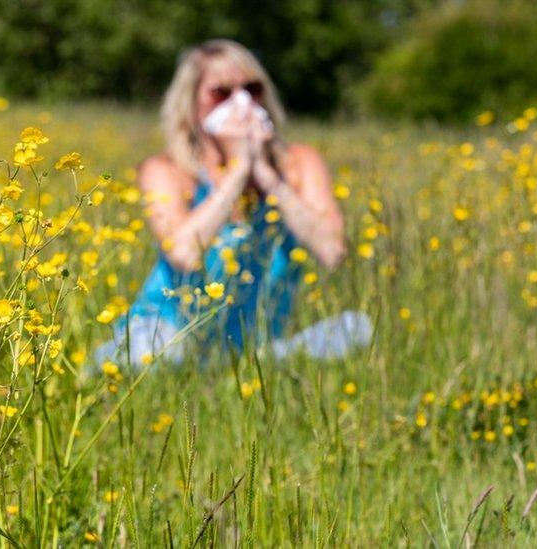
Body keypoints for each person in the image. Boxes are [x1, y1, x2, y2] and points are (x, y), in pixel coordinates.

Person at [94, 39, 372, 369]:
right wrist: (237, 171)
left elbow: (332, 252)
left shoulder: (298, 163)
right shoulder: (167, 170)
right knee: (158, 353)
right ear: (192, 104)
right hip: (167, 333)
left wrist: (268, 178)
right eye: (222, 93)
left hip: (259, 345)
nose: (241, 103)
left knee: (357, 328)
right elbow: (184, 254)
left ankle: (248, 366)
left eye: (251, 89)